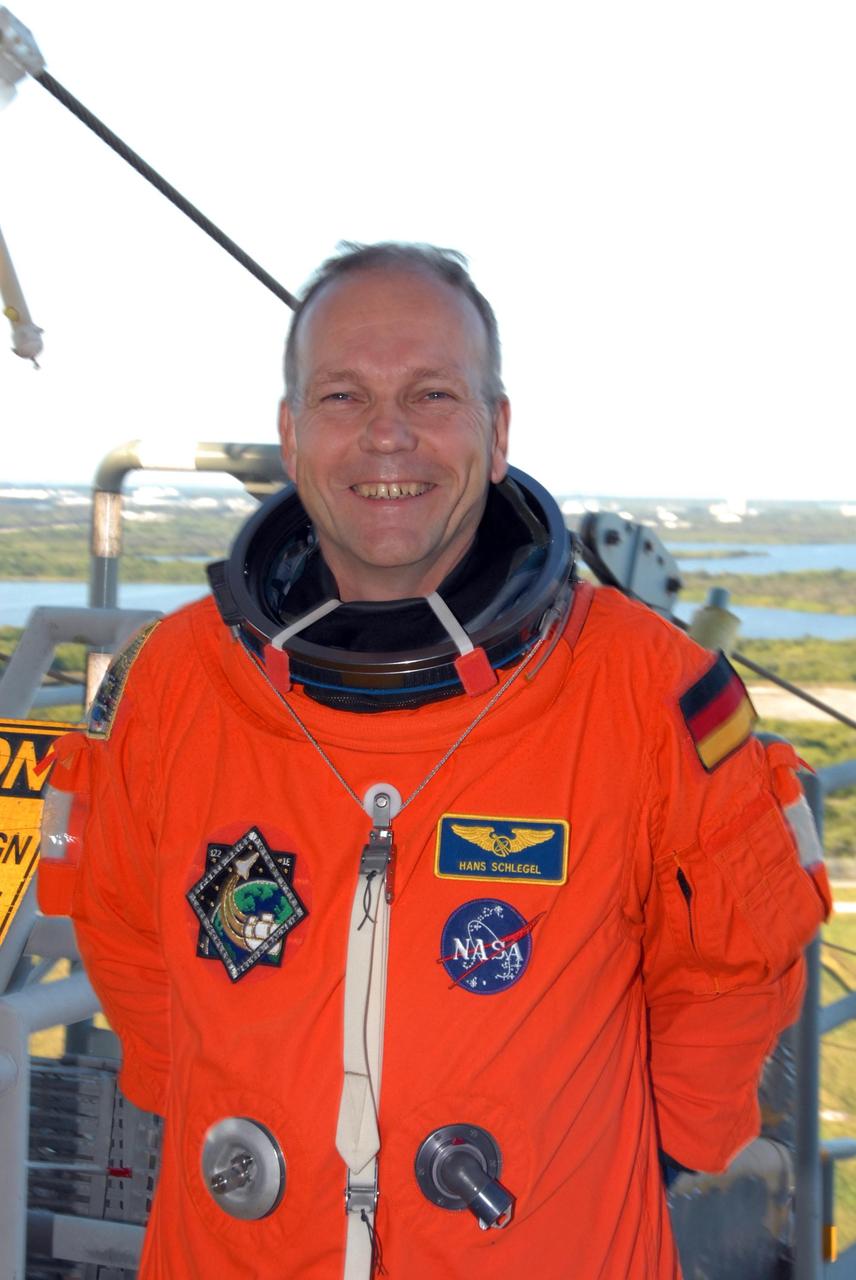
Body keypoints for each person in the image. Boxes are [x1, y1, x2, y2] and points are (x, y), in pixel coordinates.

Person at [43, 243, 830, 1280]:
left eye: (432, 393)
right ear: (290, 434)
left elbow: (741, 951)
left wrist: (650, 1150)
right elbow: (126, 937)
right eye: (340, 394)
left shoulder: (653, 690)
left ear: (498, 432)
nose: (386, 433)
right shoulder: (172, 680)